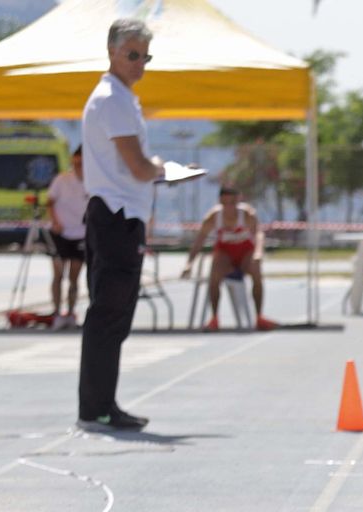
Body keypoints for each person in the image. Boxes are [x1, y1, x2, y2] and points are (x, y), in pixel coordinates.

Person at [77, 18, 164, 432]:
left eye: (145, 56)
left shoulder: (123, 97)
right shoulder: (111, 98)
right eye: (133, 55)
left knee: (115, 315)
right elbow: (137, 166)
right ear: (111, 51)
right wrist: (163, 169)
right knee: (109, 314)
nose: (140, 64)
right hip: (115, 215)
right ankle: (95, 409)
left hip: (120, 215)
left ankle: (103, 404)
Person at [181, 185, 276, 331]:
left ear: (238, 201)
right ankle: (214, 317)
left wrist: (258, 253)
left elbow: (258, 234)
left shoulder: (247, 215)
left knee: (256, 271)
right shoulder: (213, 217)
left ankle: (259, 316)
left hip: (245, 252)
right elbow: (199, 241)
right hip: (225, 253)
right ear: (220, 202)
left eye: (232, 203)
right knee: (214, 273)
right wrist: (189, 264)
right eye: (225, 204)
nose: (229, 207)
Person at [46, 146, 88, 330]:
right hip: (60, 233)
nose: (78, 166)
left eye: (82, 163)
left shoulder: (94, 182)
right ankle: (56, 312)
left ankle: (70, 312)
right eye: (76, 162)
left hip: (81, 234)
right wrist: (55, 222)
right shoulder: (62, 179)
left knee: (74, 277)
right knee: (58, 274)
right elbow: (49, 202)